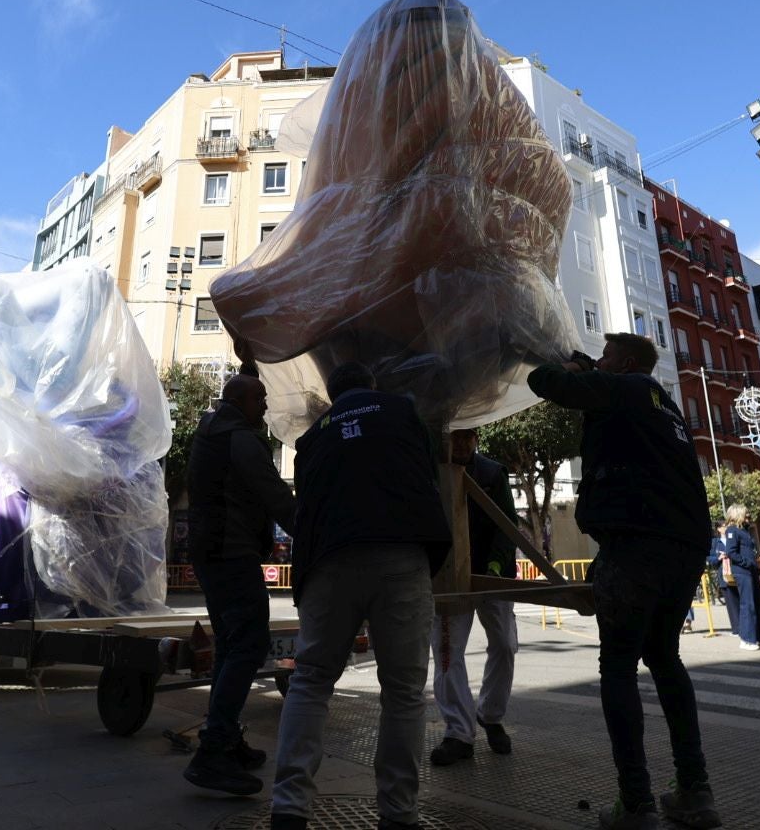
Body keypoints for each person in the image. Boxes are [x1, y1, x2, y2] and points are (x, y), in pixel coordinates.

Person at [528, 333, 719, 830]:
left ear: (627, 363)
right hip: (684, 546)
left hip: (636, 543)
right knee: (663, 657)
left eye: (607, 356)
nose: (601, 361)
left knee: (616, 665)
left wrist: (572, 370)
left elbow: (542, 381)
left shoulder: (626, 387)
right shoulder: (665, 405)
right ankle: (695, 791)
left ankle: (636, 804)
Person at [270, 363, 451, 830]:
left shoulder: (311, 439)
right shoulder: (402, 412)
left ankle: (289, 808)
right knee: (404, 692)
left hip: (330, 561)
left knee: (311, 680)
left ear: (331, 394)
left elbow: (305, 504)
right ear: (372, 383)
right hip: (400, 555)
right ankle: (398, 813)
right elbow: (427, 473)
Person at [183, 375, 297, 795]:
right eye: (259, 398)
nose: (265, 406)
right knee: (249, 645)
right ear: (238, 400)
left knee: (230, 648)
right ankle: (212, 751)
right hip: (232, 554)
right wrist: (318, 536)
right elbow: (276, 497)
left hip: (210, 553)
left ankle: (226, 738)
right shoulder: (241, 440)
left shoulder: (209, 432)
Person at [429, 428, 520, 767]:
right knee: (448, 653)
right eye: (456, 437)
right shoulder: (431, 473)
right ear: (444, 439)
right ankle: (458, 733)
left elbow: (506, 526)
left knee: (505, 645)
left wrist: (495, 567)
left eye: (469, 437)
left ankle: (491, 716)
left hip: (492, 575)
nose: (463, 444)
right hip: (450, 577)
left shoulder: (493, 473)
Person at [721, 505, 760, 651]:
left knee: (757, 603)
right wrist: (747, 563)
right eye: (746, 515)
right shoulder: (732, 531)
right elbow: (731, 552)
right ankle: (747, 639)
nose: (749, 517)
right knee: (747, 604)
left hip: (751, 571)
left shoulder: (744, 530)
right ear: (737, 515)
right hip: (742, 572)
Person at [708, 521, 740, 644]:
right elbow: (710, 559)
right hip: (725, 577)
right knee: (731, 604)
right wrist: (718, 558)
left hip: (737, 574)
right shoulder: (715, 543)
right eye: (723, 526)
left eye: (727, 526)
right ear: (718, 529)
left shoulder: (733, 539)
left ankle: (745, 627)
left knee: (740, 601)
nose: (726, 528)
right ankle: (736, 629)